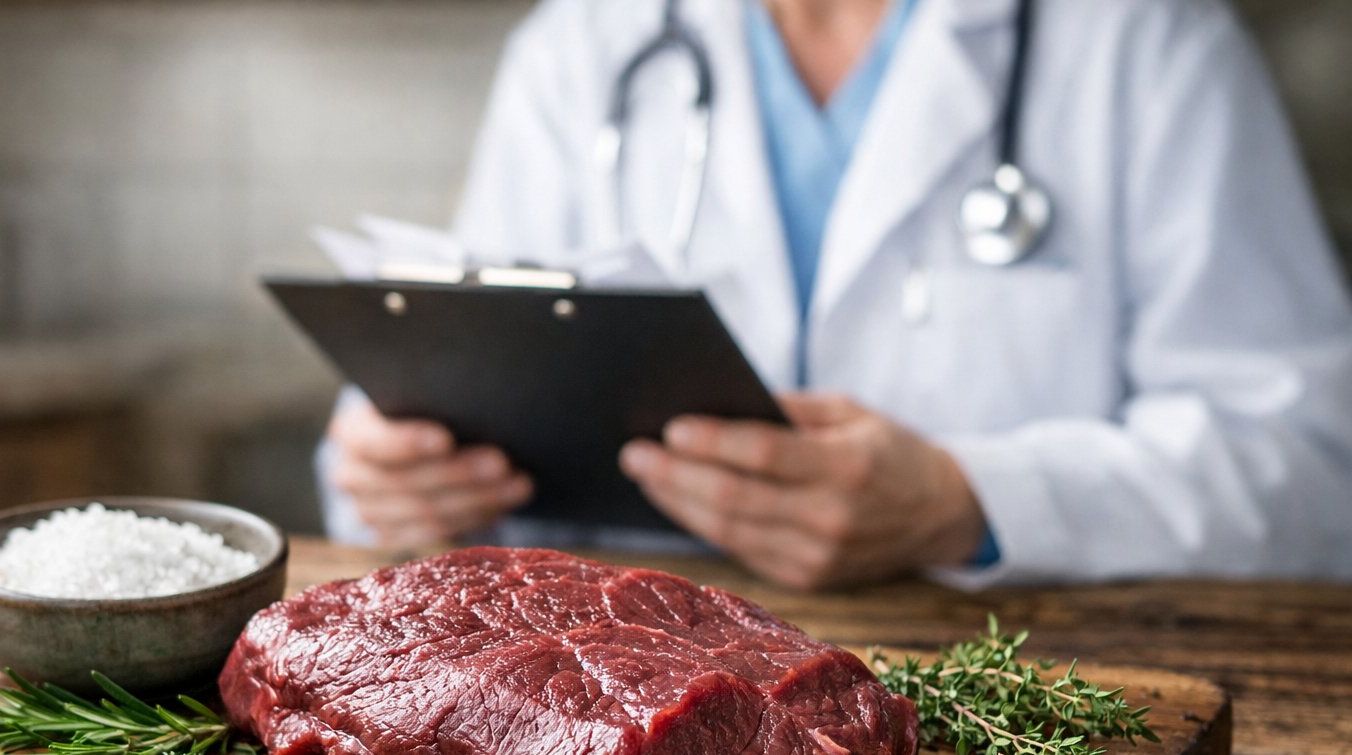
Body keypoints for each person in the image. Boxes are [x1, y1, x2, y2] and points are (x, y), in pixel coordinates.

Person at [321, 0, 1352, 589]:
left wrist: (969, 500)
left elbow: (1309, 468)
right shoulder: (583, 49)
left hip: (1018, 697)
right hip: (622, 701)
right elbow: (447, 364)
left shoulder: (1142, 43)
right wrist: (394, 474)